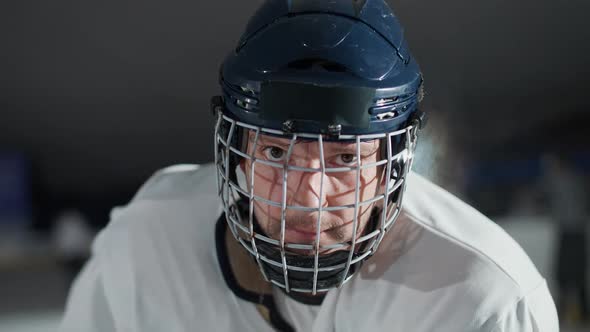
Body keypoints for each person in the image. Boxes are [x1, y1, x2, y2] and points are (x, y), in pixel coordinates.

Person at [59, 1, 558, 331]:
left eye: (344, 159)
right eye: (276, 153)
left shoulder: (484, 301)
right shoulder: (149, 243)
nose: (308, 199)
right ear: (237, 149)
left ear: (391, 163)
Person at [542, 153, 588, 323]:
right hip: (578, 231)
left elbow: (544, 195)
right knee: (577, 275)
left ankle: (560, 313)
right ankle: (582, 313)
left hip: (569, 232)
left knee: (562, 274)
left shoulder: (558, 180)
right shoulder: (578, 179)